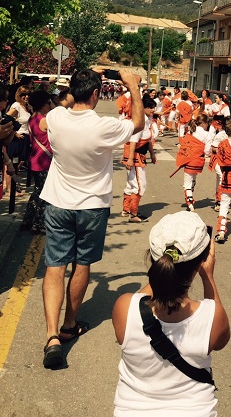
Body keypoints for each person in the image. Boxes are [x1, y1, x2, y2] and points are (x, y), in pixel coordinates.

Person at [40, 68, 144, 369]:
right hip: (92, 206)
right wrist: (132, 87)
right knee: (82, 264)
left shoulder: (57, 118)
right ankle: (70, 324)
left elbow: (48, 118)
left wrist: (78, 85)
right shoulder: (104, 126)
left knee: (55, 267)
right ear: (97, 95)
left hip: (58, 202)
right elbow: (137, 123)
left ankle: (51, 336)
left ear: (74, 91)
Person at [112, 211, 230, 416]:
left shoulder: (124, 307)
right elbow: (220, 341)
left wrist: (163, 269)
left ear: (154, 258)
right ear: (202, 260)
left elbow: (143, 299)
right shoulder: (213, 315)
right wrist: (207, 276)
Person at [121, 95, 158, 223]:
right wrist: (130, 159)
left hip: (139, 156)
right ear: (143, 108)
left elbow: (147, 140)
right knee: (140, 185)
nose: (153, 110)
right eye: (150, 107)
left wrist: (152, 154)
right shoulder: (139, 122)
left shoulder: (146, 121)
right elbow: (133, 141)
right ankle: (133, 213)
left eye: (153, 107)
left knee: (131, 183)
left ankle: (126, 209)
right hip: (135, 156)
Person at [22, 90, 54, 233]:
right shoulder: (43, 120)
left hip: (35, 159)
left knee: (37, 191)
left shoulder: (32, 118)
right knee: (44, 194)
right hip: (44, 161)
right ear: (42, 104)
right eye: (48, 103)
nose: (50, 105)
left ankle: (28, 219)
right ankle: (39, 223)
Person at [175, 112, 215, 211]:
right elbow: (207, 150)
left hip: (188, 159)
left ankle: (189, 201)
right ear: (203, 123)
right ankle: (190, 197)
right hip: (198, 161)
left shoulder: (191, 131)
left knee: (187, 182)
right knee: (193, 180)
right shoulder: (207, 134)